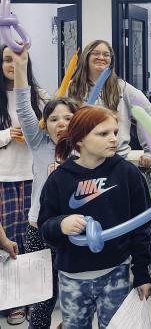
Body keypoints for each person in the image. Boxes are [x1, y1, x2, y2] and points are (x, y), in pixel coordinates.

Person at [38, 106, 151, 329]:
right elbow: (45, 228)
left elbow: (141, 227)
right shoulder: (59, 179)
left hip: (115, 273)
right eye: (103, 133)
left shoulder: (128, 173)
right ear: (80, 139)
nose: (114, 139)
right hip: (72, 277)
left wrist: (141, 273)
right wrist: (61, 225)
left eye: (115, 132)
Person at [12, 47, 79, 329]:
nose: (61, 123)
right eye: (53, 119)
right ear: (46, 124)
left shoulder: (85, 150)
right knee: (42, 297)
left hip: (75, 229)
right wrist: (20, 67)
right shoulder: (39, 145)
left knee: (75, 292)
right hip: (39, 229)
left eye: (68, 118)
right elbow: (23, 108)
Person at [0, 44, 47, 325]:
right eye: (6, 59)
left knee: (32, 242)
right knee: (8, 243)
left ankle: (34, 299)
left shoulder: (38, 95)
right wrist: (8, 134)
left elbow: (53, 127)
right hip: (4, 178)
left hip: (33, 178)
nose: (11, 64)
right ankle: (13, 303)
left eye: (15, 60)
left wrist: (34, 131)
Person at [67, 39, 151, 166]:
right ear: (86, 57)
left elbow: (146, 112)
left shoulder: (122, 88)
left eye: (106, 54)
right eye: (96, 53)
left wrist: (149, 151)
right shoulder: (71, 88)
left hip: (116, 159)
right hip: (81, 160)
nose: (101, 57)